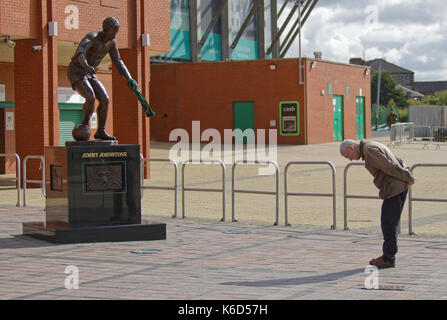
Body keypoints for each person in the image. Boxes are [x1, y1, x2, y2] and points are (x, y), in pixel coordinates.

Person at [340, 139, 415, 269]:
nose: (350, 160)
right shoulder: (371, 145)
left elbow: (389, 166)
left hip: (395, 187)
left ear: (352, 148)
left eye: (347, 156)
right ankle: (388, 256)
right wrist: (406, 173)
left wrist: (408, 177)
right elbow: (395, 160)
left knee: (388, 223)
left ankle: (388, 258)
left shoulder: (369, 151)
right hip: (396, 186)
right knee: (389, 223)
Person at [67, 17, 138, 140]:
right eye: (113, 31)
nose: (115, 34)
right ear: (105, 30)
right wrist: (86, 66)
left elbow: (118, 62)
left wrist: (129, 79)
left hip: (90, 72)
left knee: (105, 99)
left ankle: (101, 131)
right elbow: (80, 53)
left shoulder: (112, 42)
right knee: (90, 97)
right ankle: (83, 125)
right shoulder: (93, 37)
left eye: (116, 31)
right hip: (77, 70)